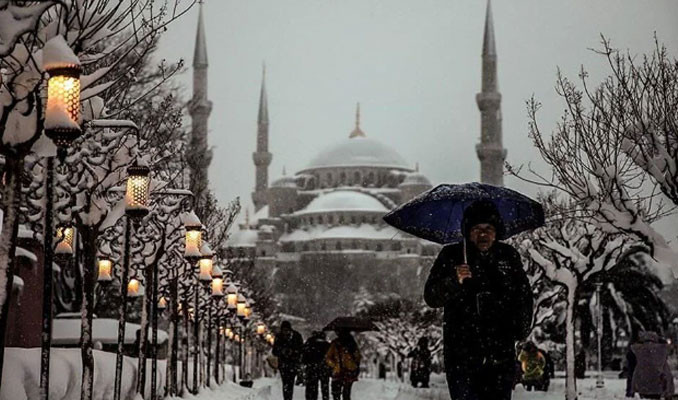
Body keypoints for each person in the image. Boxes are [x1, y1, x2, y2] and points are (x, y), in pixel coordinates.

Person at [424, 199, 533, 400]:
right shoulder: (452, 255)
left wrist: (519, 328)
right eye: (477, 229)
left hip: (499, 351)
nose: (483, 234)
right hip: (462, 352)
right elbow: (431, 296)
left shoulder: (507, 256)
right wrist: (454, 280)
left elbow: (524, 295)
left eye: (488, 228)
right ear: (468, 230)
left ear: (496, 231)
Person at [627, 331, 674, 399]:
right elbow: (670, 348)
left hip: (642, 385)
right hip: (658, 385)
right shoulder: (662, 349)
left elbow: (632, 347)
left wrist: (632, 388)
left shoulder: (638, 349)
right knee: (665, 369)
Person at [325, 329, 361, 400]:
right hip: (349, 371)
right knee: (346, 393)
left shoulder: (335, 343)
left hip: (338, 371)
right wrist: (352, 364)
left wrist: (334, 364)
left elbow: (328, 357)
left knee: (336, 393)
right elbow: (358, 357)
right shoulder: (352, 344)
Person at [272, 321, 304, 400]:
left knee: (289, 382)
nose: (285, 332)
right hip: (284, 364)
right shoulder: (279, 337)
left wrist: (293, 351)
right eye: (284, 330)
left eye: (287, 330)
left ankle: (288, 397)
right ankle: (287, 398)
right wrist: (282, 351)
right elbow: (274, 351)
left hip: (293, 363)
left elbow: (301, 350)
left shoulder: (296, 336)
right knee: (286, 383)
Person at [302, 330, 331, 400]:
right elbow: (330, 358)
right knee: (325, 388)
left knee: (311, 388)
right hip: (324, 368)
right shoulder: (327, 345)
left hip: (311, 368)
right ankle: (325, 398)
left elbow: (304, 356)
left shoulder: (309, 344)